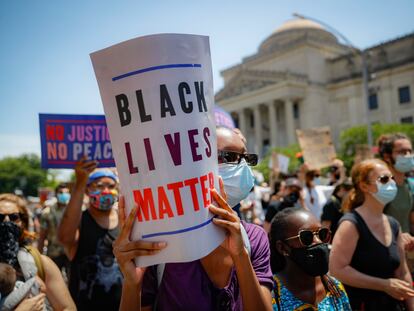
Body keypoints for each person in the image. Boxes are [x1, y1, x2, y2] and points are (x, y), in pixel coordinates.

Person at [113, 127, 273, 311]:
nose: (242, 167)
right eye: (230, 157)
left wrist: (241, 256)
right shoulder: (157, 242)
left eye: (246, 159)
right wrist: (132, 286)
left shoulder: (253, 238)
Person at [330, 159, 414, 310]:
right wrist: (383, 285)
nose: (391, 183)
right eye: (384, 179)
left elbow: (402, 272)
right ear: (364, 186)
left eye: (392, 178)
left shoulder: (393, 224)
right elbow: (337, 269)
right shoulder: (351, 224)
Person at [58, 163, 123, 310]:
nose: (106, 191)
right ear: (87, 190)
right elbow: (65, 239)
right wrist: (80, 182)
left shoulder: (124, 220)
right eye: (99, 186)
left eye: (111, 186)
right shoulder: (79, 223)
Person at [0, 193, 75, 311]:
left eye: (14, 217)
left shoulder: (40, 262)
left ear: (23, 223)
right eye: (0, 218)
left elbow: (67, 307)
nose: (6, 221)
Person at [269, 207, 351, 310]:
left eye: (322, 234)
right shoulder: (270, 295)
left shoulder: (334, 287)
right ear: (282, 247)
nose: (318, 241)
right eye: (306, 237)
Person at [378, 133, 414, 250]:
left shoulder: (411, 185)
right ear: (387, 156)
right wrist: (397, 236)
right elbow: (369, 223)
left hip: (406, 253)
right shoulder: (379, 187)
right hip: (385, 252)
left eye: (410, 151)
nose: (408, 155)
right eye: (402, 152)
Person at [38, 183, 71, 274]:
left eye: (66, 192)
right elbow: (42, 236)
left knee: (73, 282)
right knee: (54, 280)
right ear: (56, 194)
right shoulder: (47, 213)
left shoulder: (74, 211)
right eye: (61, 192)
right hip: (54, 252)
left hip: (71, 252)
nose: (64, 195)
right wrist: (39, 257)